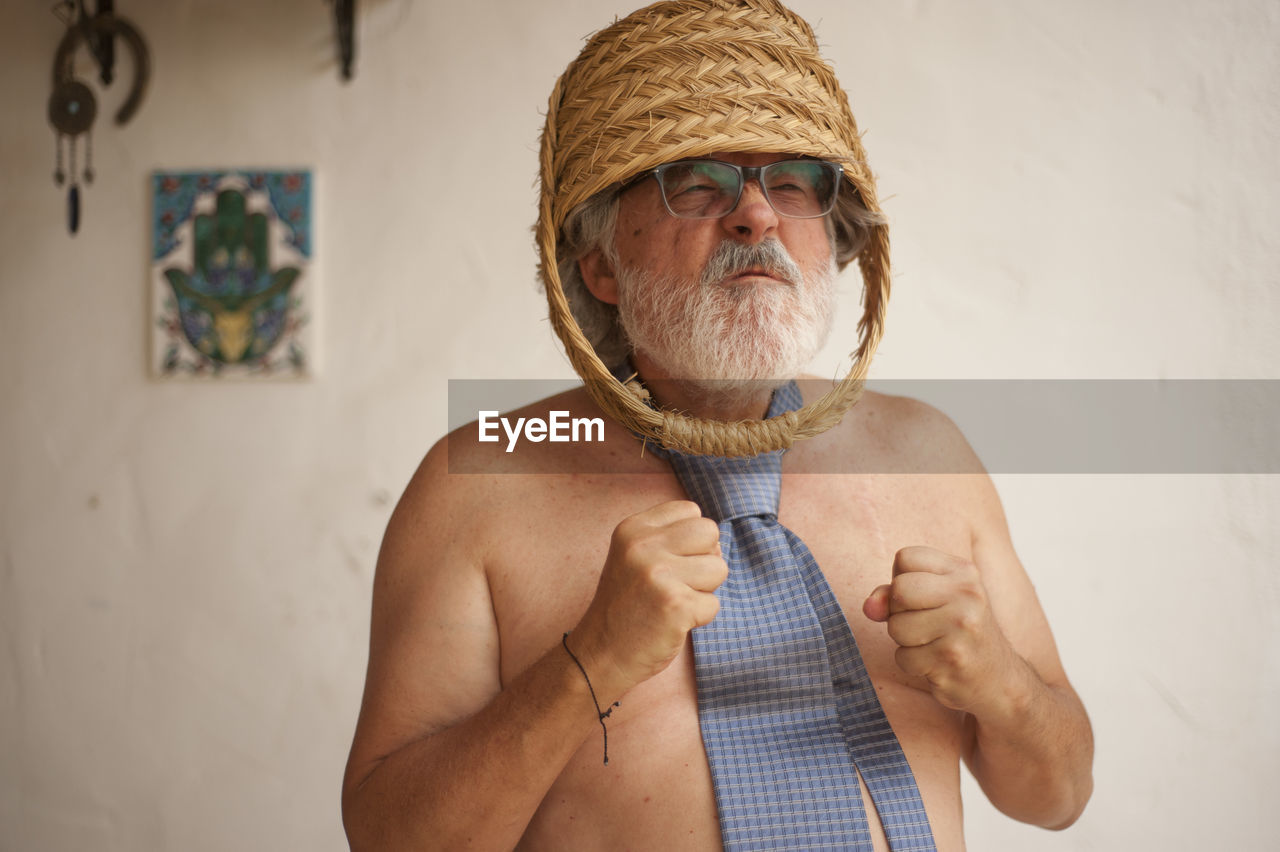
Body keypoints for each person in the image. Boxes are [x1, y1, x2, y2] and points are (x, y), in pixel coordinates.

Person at [342, 1, 1094, 849]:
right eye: (696, 182)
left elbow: (1058, 796)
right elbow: (389, 838)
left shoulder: (929, 453)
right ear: (600, 265)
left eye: (791, 182)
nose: (756, 217)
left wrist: (999, 680)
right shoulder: (479, 478)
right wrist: (587, 663)